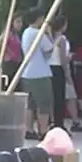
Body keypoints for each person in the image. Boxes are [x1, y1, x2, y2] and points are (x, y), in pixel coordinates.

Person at [19, 7, 56, 137]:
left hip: (27, 72)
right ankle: (43, 130)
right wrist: (49, 34)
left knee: (30, 104)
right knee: (44, 104)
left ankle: (28, 129)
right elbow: (49, 49)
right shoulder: (38, 33)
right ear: (39, 18)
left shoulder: (26, 32)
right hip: (40, 73)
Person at [48, 14, 82, 133]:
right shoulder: (62, 39)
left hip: (50, 68)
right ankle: (59, 123)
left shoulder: (50, 37)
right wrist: (68, 73)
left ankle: (53, 121)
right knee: (60, 98)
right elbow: (63, 59)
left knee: (54, 97)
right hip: (59, 68)